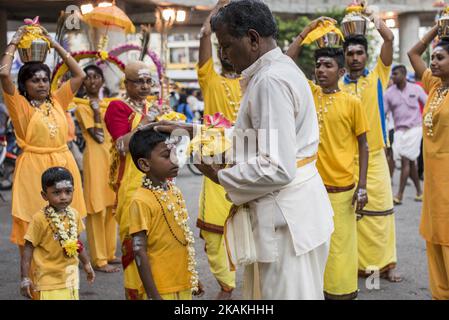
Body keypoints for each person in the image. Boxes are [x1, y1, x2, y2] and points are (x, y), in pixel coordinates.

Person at [153, 0, 335, 299]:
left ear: (252, 38)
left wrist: (220, 176)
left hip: (287, 221)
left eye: (225, 45)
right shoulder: (276, 69)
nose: (223, 54)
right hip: (292, 214)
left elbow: (278, 165)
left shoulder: (270, 80)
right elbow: (255, 136)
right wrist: (194, 130)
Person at [287, 21, 370, 299]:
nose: (321, 70)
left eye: (328, 66)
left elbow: (364, 144)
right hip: (312, 186)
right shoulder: (310, 94)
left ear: (342, 71)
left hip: (343, 188)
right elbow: (286, 63)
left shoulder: (352, 103)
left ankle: (343, 292)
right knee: (315, 244)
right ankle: (317, 291)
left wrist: (363, 186)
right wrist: (304, 32)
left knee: (341, 246)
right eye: (319, 65)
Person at [0, 25, 87, 259]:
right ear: (24, 85)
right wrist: (15, 41)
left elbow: (80, 75)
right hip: (33, 168)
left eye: (45, 80)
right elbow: (4, 74)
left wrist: (53, 44)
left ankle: (63, 272)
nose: (41, 84)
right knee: (33, 222)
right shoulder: (19, 105)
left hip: (63, 162)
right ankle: (34, 279)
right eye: (35, 80)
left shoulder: (57, 99)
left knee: (66, 217)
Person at [340, 6, 401, 282]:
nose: (355, 57)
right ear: (344, 57)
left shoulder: (378, 75)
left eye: (359, 53)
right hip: (346, 158)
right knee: (351, 214)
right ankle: (358, 265)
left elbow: (389, 40)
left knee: (382, 212)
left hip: (375, 157)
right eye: (350, 53)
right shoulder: (337, 85)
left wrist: (370, 16)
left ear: (366, 56)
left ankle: (387, 265)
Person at [196, 0, 240, 299]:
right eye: (221, 49)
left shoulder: (255, 79)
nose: (224, 53)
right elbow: (203, 35)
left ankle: (249, 282)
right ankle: (227, 284)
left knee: (250, 226)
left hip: (248, 158)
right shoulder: (210, 79)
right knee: (213, 230)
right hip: (215, 160)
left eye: (229, 48)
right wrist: (217, 8)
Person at [104, 60, 158, 299]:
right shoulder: (117, 107)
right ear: (127, 84)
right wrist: (143, 126)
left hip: (157, 183)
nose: (145, 86)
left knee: (157, 247)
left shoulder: (152, 107)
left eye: (148, 81)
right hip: (131, 186)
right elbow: (122, 146)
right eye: (139, 81)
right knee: (136, 246)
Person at [128, 128, 201, 300]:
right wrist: (154, 295)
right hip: (160, 288)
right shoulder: (140, 201)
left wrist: (193, 277)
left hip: (183, 281)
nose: (175, 160)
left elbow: (183, 240)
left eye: (175, 154)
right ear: (145, 164)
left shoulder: (174, 190)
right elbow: (139, 251)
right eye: (167, 156)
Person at [408, 25, 449, 299]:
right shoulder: (434, 86)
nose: (433, 62)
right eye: (433, 58)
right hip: (433, 180)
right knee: (434, 237)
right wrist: (438, 27)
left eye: (440, 57)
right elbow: (413, 52)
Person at [20, 167, 95, 300]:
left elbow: (77, 243)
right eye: (56, 193)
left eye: (68, 191)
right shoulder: (39, 219)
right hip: (48, 280)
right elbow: (28, 248)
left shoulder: (74, 215)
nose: (63, 197)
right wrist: (25, 278)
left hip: (71, 277)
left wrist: (87, 265)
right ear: (44, 195)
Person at [74, 65, 119, 273]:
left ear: (102, 80)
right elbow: (98, 136)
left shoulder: (108, 103)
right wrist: (95, 112)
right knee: (96, 209)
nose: (92, 81)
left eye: (96, 77)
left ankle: (110, 253)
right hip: (94, 159)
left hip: (111, 158)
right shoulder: (83, 106)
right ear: (83, 82)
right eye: (88, 77)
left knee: (111, 207)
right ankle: (99, 259)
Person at [383, 64, 426, 205]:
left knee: (406, 159)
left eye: (395, 74)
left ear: (403, 74)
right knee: (410, 161)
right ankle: (419, 192)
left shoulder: (416, 88)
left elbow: (427, 103)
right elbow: (382, 112)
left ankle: (399, 195)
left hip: (415, 129)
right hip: (399, 131)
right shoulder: (389, 93)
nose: (392, 77)